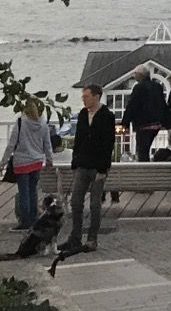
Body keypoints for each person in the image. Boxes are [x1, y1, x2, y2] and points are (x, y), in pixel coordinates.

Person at [59, 84, 114, 254]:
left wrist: (103, 169)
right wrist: (75, 162)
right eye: (83, 96)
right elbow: (79, 139)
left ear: (96, 96)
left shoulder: (107, 115)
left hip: (98, 166)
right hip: (82, 164)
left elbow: (108, 142)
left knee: (95, 203)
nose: (84, 99)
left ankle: (92, 239)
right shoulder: (83, 115)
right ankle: (75, 237)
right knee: (76, 201)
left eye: (87, 96)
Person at [4, 99, 54, 230]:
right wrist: (49, 159)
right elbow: (47, 144)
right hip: (36, 162)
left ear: (24, 109)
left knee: (23, 193)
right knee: (33, 191)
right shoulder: (43, 124)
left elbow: (11, 144)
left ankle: (25, 222)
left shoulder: (21, 122)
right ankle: (34, 219)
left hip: (22, 162)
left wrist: (3, 162)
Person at [122, 67, 167, 162]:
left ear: (140, 75)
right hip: (156, 124)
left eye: (135, 74)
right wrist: (164, 120)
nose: (134, 76)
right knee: (146, 148)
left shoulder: (138, 87)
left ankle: (144, 170)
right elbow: (162, 104)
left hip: (143, 124)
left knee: (142, 151)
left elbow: (132, 105)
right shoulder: (157, 86)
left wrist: (125, 123)